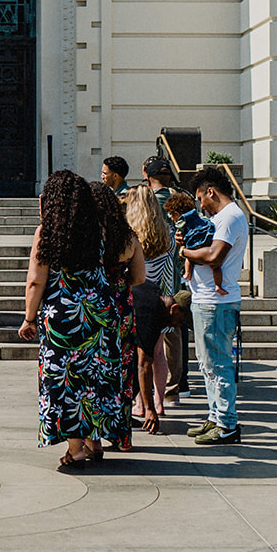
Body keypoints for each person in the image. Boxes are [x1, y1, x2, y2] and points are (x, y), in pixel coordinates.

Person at [18, 171, 127, 470]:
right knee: (96, 379)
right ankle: (95, 442)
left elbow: (35, 282)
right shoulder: (99, 229)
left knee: (65, 381)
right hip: (100, 316)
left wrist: (29, 318)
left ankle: (76, 450)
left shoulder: (47, 232)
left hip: (63, 319)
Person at [180, 164, 249, 445]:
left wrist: (184, 250)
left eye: (200, 198)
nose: (200, 204)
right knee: (208, 365)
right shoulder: (223, 217)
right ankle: (216, 416)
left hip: (217, 303)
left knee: (218, 365)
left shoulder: (230, 217)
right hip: (207, 300)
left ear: (211, 191)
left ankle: (227, 424)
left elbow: (214, 256)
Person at [89, 181, 143, 452]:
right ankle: (121, 436)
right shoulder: (128, 236)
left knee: (95, 373)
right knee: (122, 372)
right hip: (122, 308)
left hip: (95, 308)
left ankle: (93, 435)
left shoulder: (89, 236)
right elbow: (139, 276)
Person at [123, 186, 174, 433]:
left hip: (136, 297)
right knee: (158, 353)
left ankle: (139, 404)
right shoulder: (167, 233)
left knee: (135, 355)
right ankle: (158, 402)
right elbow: (169, 271)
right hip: (161, 297)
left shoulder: (130, 233)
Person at [161, 189, 198, 399]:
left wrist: (182, 249)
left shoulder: (186, 226)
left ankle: (176, 386)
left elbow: (182, 258)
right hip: (180, 285)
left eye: (172, 215)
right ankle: (178, 385)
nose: (171, 219)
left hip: (180, 287)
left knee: (174, 336)